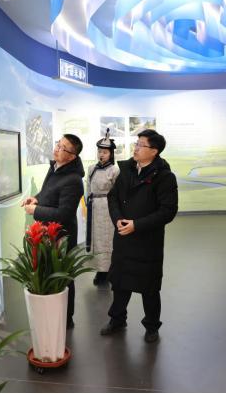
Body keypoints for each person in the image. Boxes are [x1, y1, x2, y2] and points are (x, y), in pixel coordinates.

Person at [100, 129, 178, 343]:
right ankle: (117, 319)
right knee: (119, 281)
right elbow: (113, 197)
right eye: (136, 143)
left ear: (154, 151)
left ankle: (152, 326)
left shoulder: (164, 177)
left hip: (147, 239)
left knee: (149, 286)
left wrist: (137, 225)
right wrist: (117, 219)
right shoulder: (127, 170)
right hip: (123, 235)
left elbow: (168, 211)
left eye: (141, 145)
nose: (135, 148)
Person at [21, 134, 85, 329]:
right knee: (49, 272)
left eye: (63, 148)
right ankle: (51, 314)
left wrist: (35, 211)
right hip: (47, 233)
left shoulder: (74, 180)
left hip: (61, 236)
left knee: (63, 276)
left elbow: (64, 214)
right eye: (58, 143)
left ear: (72, 156)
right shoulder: (55, 167)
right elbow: (49, 192)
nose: (57, 148)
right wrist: (36, 199)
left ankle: (66, 319)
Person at [86, 129, 119, 287]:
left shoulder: (115, 170)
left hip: (107, 208)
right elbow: (88, 187)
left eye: (105, 152)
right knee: (96, 240)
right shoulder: (91, 168)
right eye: (100, 151)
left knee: (107, 239)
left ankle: (109, 270)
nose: (101, 154)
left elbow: (117, 192)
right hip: (94, 208)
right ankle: (99, 270)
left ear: (111, 154)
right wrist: (88, 202)